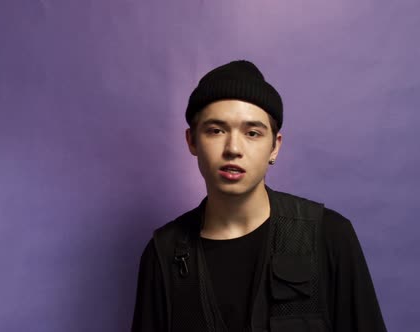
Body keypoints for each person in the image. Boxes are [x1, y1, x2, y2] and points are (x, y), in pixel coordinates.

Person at [131, 60, 387, 332]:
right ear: (192, 141)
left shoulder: (328, 235)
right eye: (216, 130)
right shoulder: (164, 253)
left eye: (252, 133)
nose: (233, 148)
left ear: (274, 147)